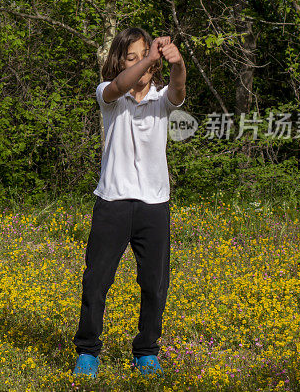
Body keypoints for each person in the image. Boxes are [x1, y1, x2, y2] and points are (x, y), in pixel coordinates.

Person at [72, 27, 186, 377]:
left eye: (148, 58)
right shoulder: (110, 96)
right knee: (97, 280)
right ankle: (88, 351)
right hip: (113, 201)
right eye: (132, 57)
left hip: (154, 204)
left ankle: (147, 351)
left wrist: (178, 62)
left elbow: (179, 89)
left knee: (154, 282)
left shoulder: (162, 98)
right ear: (120, 61)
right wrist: (151, 56)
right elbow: (118, 86)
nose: (142, 64)